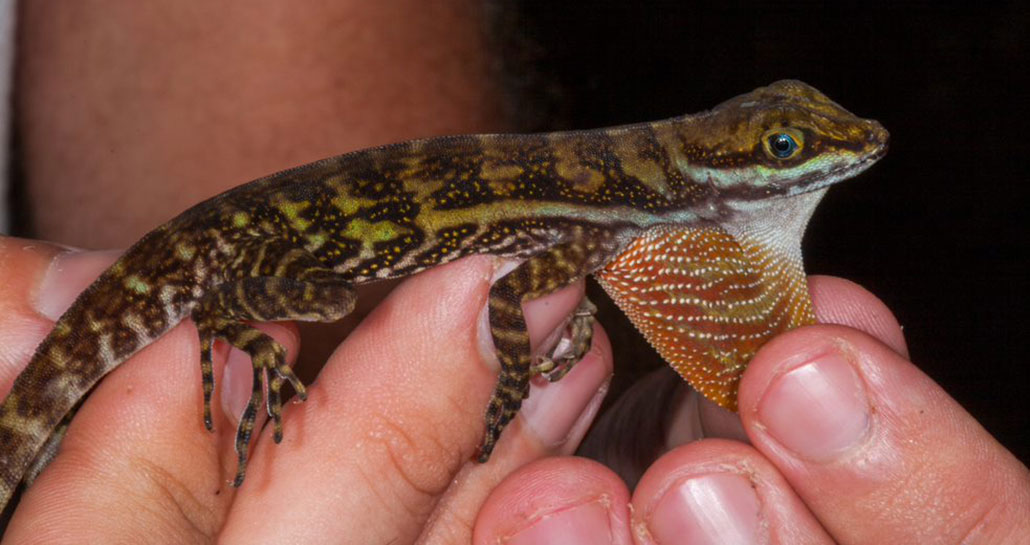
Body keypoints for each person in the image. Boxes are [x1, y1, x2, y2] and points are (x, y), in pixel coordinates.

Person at [3, 2, 1028, 543]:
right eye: (785, 149)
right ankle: (229, 316)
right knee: (308, 300)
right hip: (245, 249)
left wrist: (561, 346)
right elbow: (501, 296)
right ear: (717, 172)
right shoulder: (613, 204)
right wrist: (502, 395)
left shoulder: (616, 206)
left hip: (273, 223)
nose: (842, 148)